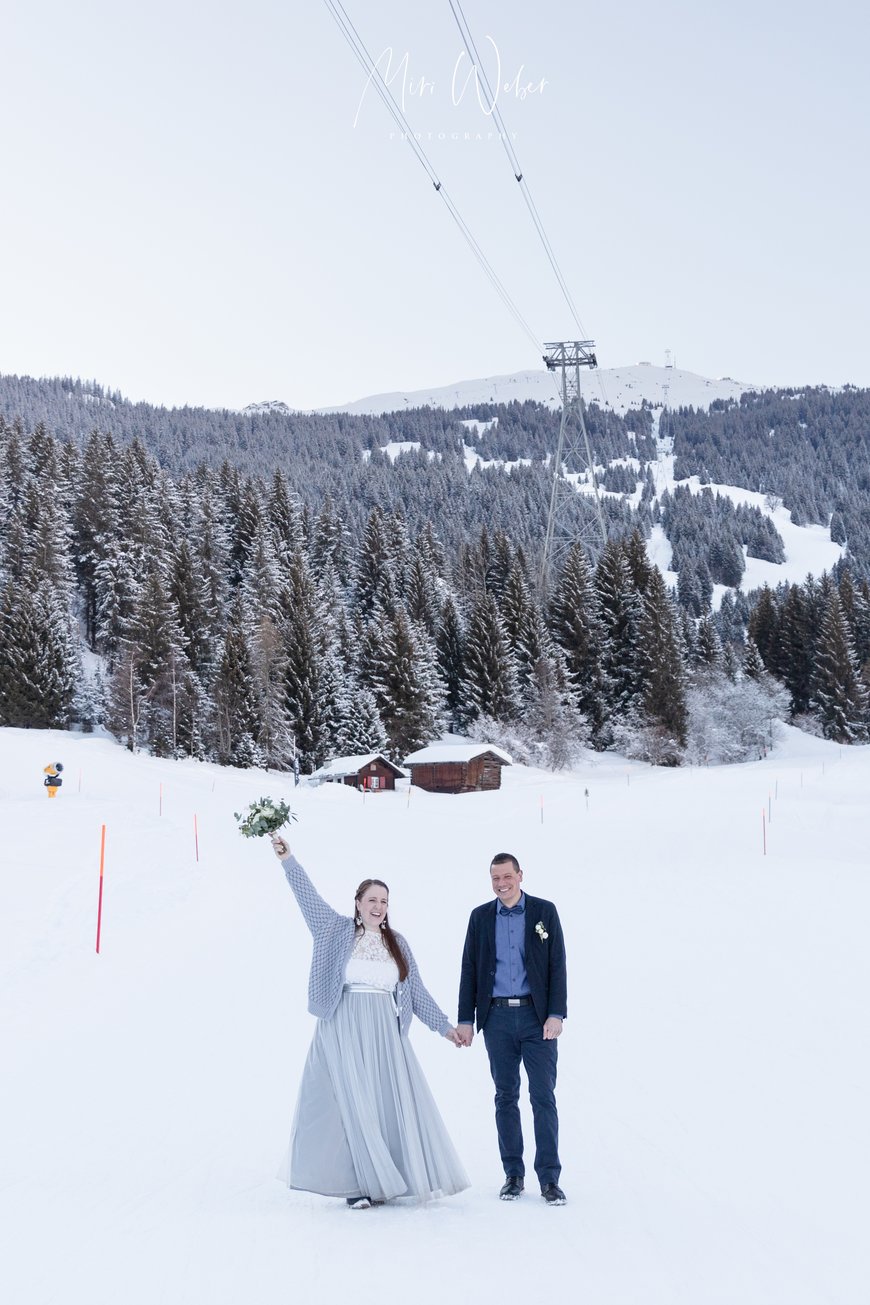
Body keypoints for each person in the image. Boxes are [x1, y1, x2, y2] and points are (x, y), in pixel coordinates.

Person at [271, 834, 469, 1209]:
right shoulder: (334, 930)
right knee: (350, 1105)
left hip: (384, 1034)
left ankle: (386, 1179)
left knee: (382, 1105)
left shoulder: (398, 943)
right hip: (342, 1028)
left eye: (384, 901)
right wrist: (288, 860)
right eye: (372, 900)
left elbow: (417, 992)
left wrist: (446, 1028)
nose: (378, 907)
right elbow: (306, 896)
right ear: (358, 903)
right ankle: (355, 1185)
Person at [456, 852, 567, 1206]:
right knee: (505, 1096)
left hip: (537, 1019)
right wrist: (466, 1019)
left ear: (520, 875)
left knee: (543, 1096)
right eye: (495, 878)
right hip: (497, 1019)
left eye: (507, 876)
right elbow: (469, 968)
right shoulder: (480, 917)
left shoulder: (544, 912)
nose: (501, 884)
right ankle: (513, 1175)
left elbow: (557, 964)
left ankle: (549, 1179)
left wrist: (556, 1014)